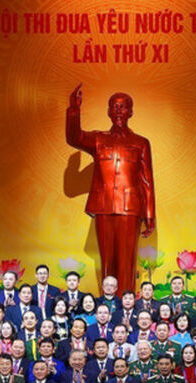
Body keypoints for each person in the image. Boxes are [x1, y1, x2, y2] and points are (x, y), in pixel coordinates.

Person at [66, 86, 156, 292]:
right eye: (114, 107)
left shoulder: (141, 143)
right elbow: (74, 138)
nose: (118, 111)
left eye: (123, 107)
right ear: (108, 111)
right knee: (107, 259)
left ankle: (126, 302)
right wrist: (74, 110)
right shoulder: (99, 139)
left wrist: (150, 215)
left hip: (130, 208)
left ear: (131, 112)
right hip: (103, 205)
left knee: (127, 260)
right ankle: (108, 304)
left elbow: (147, 180)